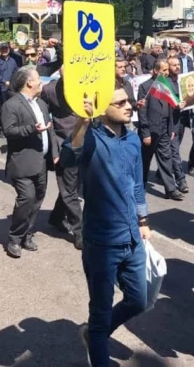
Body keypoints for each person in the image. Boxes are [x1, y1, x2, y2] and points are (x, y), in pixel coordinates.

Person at [61, 88, 150, 367]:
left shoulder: (133, 140)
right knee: (100, 312)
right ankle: (98, 336)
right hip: (101, 242)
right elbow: (67, 157)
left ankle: (94, 333)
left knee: (138, 300)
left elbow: (137, 185)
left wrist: (143, 220)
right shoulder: (91, 139)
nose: (129, 106)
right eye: (120, 102)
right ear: (103, 108)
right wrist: (83, 121)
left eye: (129, 100)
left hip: (132, 238)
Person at [0, 66, 52, 259]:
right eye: (38, 79)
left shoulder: (42, 104)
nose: (41, 83)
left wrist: (54, 153)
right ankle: (14, 237)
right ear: (29, 82)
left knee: (38, 199)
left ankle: (27, 234)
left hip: (41, 162)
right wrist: (31, 129)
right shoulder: (11, 105)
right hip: (22, 162)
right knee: (26, 198)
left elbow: (50, 130)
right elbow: (9, 131)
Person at [40, 71, 84, 250]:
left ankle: (56, 217)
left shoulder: (86, 86)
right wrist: (54, 147)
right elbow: (45, 119)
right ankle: (80, 231)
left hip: (86, 142)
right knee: (69, 190)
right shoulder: (49, 90)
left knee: (72, 186)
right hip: (64, 146)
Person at [140, 59, 184, 201]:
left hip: (165, 128)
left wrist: (171, 128)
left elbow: (171, 108)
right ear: (155, 71)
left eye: (166, 70)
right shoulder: (145, 87)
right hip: (151, 130)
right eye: (163, 70)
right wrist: (145, 133)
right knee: (145, 160)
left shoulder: (167, 85)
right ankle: (141, 186)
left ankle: (170, 189)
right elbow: (142, 111)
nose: (166, 73)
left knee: (166, 159)